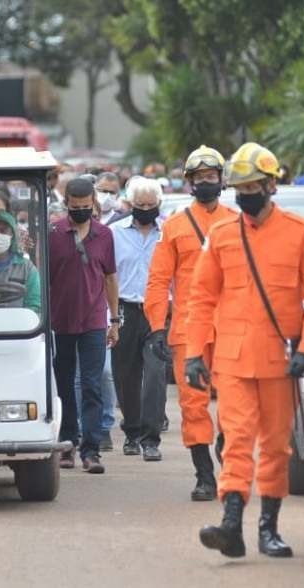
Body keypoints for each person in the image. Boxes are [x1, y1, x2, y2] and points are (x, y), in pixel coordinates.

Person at [186, 142, 304, 559]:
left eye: (253, 186)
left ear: (271, 185)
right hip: (232, 361)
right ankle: (232, 524)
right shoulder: (221, 235)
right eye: (240, 187)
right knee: (236, 440)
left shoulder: (301, 233)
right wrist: (196, 352)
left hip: (280, 362)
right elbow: (201, 298)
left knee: (275, 446)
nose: (245, 194)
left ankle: (269, 528)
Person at [144, 145, 238, 500]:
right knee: (193, 403)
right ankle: (204, 476)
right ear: (189, 183)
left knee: (233, 401)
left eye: (211, 178)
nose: (205, 184)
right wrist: (156, 326)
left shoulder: (236, 222)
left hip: (232, 328)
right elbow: (157, 280)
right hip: (188, 330)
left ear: (221, 180)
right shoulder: (175, 227)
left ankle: (228, 450)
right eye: (199, 179)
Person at [48, 178, 120, 474]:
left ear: (94, 205)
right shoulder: (53, 233)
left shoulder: (104, 235)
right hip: (60, 321)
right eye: (75, 207)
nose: (81, 212)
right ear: (66, 204)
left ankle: (91, 450)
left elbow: (110, 278)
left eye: (86, 208)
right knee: (63, 384)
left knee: (92, 384)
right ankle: (67, 444)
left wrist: (114, 320)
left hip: (93, 320)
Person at [109, 177, 166, 461]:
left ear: (159, 204)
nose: (145, 209)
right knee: (126, 375)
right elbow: (108, 275)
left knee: (156, 374)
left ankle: (151, 438)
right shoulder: (115, 233)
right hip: (125, 310)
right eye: (140, 205)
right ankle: (131, 433)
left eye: (150, 205)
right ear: (130, 205)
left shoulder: (168, 232)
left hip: (159, 310)